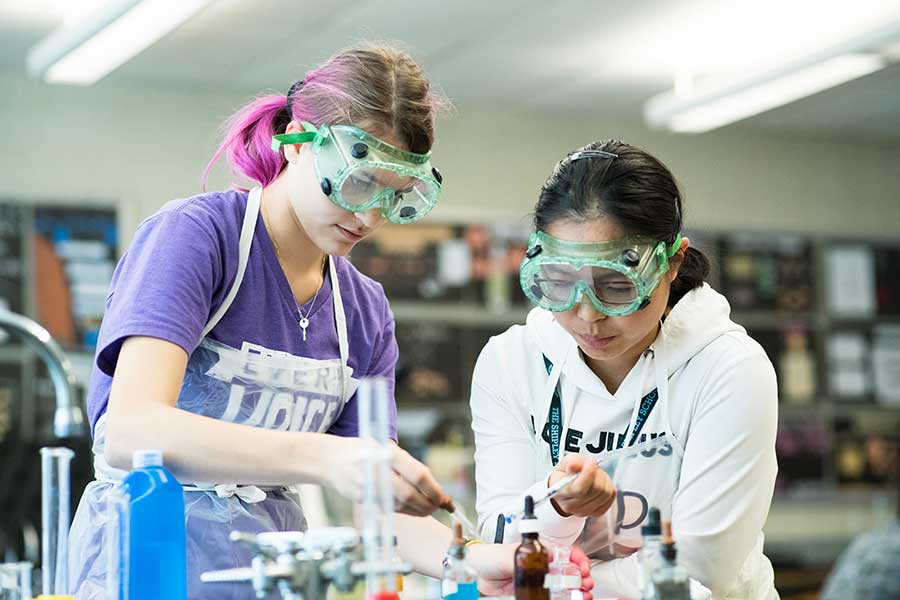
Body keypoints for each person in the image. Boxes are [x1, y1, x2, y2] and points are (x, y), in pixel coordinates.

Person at [68, 42, 459, 599]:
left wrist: (475, 560)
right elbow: (132, 432)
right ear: (298, 142)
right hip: (144, 575)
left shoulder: (364, 311)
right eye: (358, 182)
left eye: (395, 197)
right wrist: (327, 457)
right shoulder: (198, 238)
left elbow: (379, 510)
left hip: (270, 584)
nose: (371, 216)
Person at [470, 141, 780, 599]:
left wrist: (556, 578)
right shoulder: (510, 361)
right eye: (560, 283)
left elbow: (700, 566)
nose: (587, 315)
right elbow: (501, 540)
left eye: (616, 286)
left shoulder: (730, 368)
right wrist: (556, 504)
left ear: (672, 263)